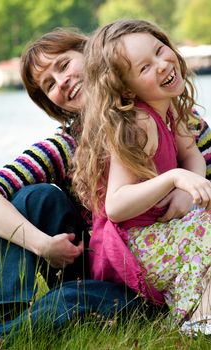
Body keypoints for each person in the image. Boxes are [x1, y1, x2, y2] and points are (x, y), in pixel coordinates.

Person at [0, 26, 210, 341]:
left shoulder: (165, 107)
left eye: (63, 65)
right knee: (38, 198)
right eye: (49, 85)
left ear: (95, 55)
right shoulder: (66, 146)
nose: (62, 82)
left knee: (74, 298)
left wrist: (187, 187)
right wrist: (42, 245)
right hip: (105, 262)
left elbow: (199, 166)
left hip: (158, 270)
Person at [73, 19, 211, 334]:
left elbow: (192, 155)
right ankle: (194, 317)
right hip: (133, 247)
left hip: (163, 232)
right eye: (145, 68)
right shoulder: (139, 124)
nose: (163, 65)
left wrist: (187, 190)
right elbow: (116, 206)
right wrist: (174, 178)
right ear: (125, 88)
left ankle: (200, 303)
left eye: (160, 51)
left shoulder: (170, 107)